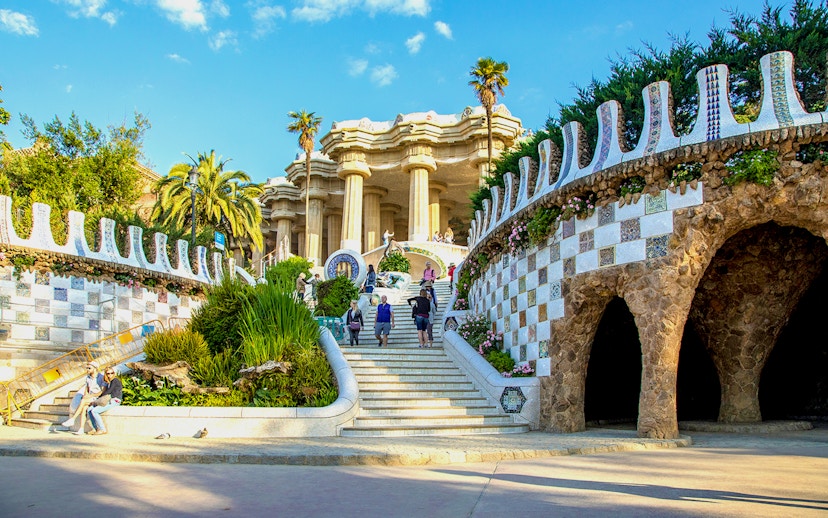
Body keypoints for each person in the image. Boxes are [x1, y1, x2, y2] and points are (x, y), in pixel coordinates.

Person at [62, 361, 104, 431]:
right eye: (87, 368)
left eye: (89, 368)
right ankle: (81, 429)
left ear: (95, 368)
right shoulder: (88, 378)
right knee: (84, 408)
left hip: (97, 397)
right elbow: (87, 389)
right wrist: (86, 395)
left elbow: (102, 391)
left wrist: (91, 395)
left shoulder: (101, 377)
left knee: (83, 401)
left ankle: (73, 419)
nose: (87, 370)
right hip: (90, 397)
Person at [86, 367, 123, 435]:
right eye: (108, 373)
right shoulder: (109, 382)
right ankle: (96, 429)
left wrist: (98, 399)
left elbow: (109, 391)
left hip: (115, 400)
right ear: (106, 374)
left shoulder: (115, 380)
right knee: (89, 409)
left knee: (95, 411)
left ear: (114, 373)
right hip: (109, 400)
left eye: (112, 373)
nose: (110, 375)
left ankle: (102, 429)